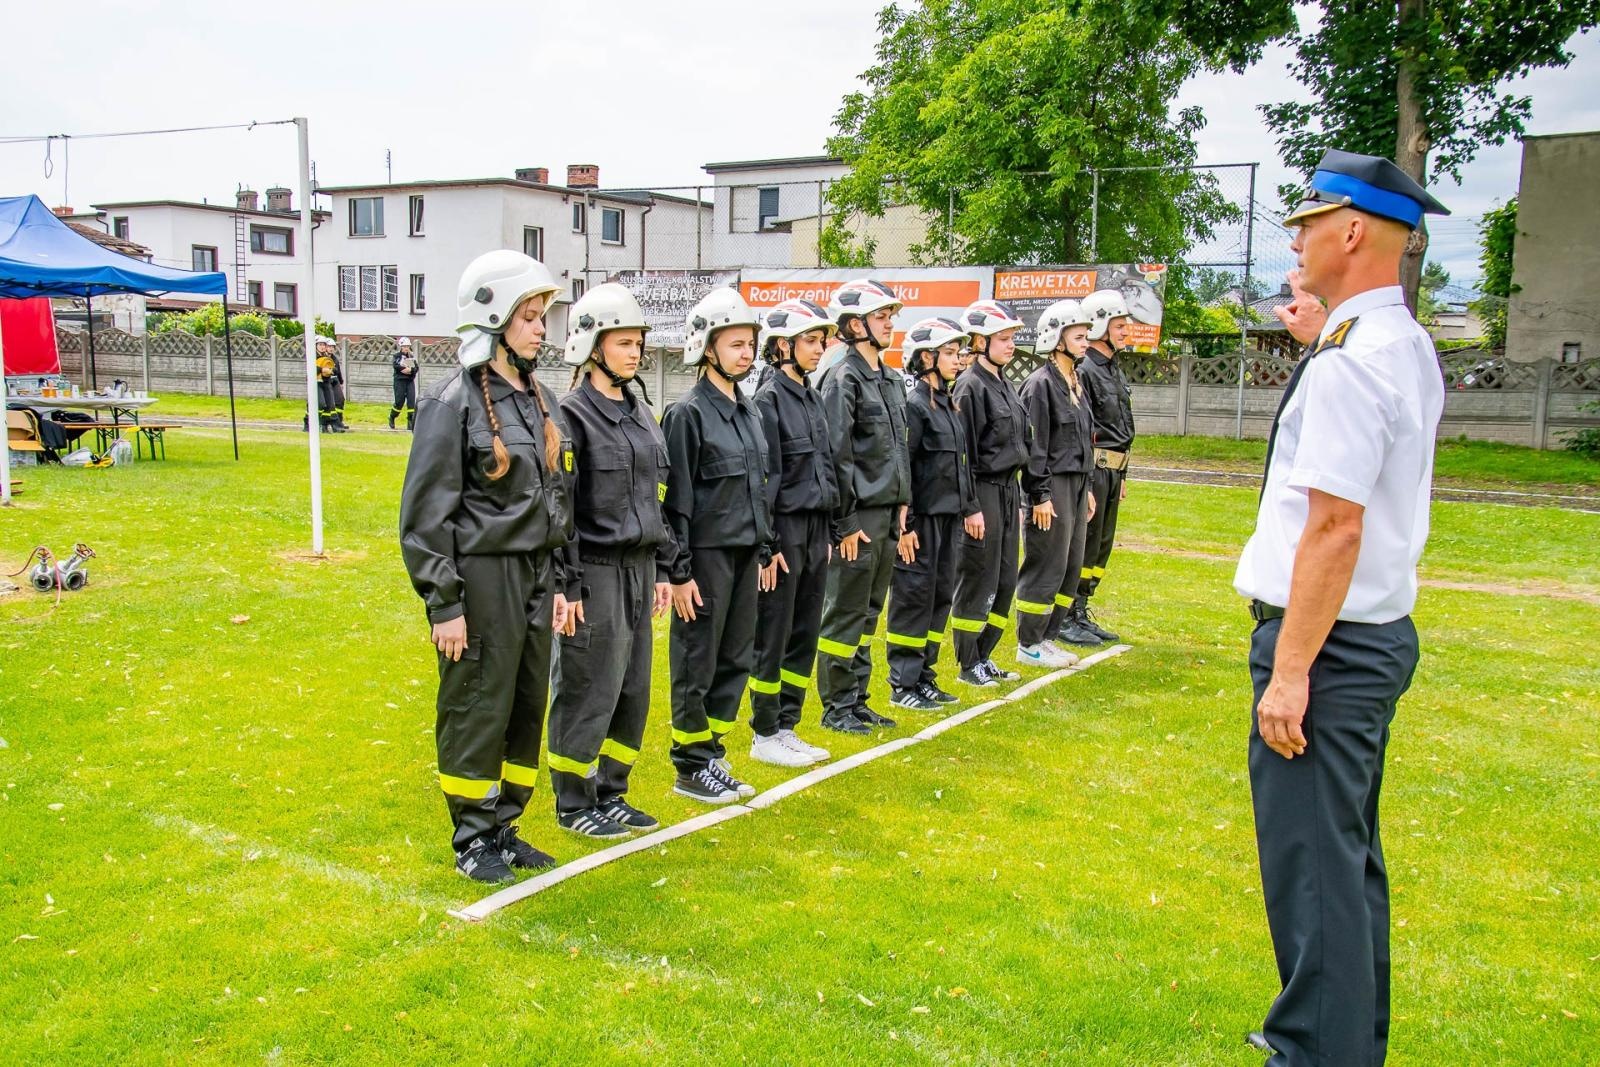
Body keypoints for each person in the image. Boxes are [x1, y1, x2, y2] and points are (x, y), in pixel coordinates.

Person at [1235, 149, 1448, 1067]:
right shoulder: (1394, 343)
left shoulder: (1354, 362)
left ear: (1352, 229)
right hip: (1366, 637)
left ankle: (1317, 1052)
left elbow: (1333, 527)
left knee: (1314, 869)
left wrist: (1290, 672)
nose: (1297, 240)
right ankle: (1340, 1037)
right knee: (1345, 861)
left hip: (1328, 647)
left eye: (1308, 223)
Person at [398, 249, 574, 884]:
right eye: (529, 316)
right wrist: (444, 603)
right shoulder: (453, 403)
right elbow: (425, 516)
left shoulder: (541, 399)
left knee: (526, 704)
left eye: (542, 316)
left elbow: (557, 499)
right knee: (478, 703)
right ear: (494, 318)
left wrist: (559, 583)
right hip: (482, 582)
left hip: (536, 580)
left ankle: (504, 825)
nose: (540, 329)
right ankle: (472, 836)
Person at [545, 283, 675, 837]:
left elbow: (659, 496)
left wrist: (663, 569)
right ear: (592, 346)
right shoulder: (571, 416)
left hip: (641, 570)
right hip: (595, 571)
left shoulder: (641, 412)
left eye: (638, 342)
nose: (635, 352)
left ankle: (611, 791)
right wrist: (568, 584)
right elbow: (561, 509)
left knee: (631, 689)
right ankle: (574, 802)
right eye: (624, 342)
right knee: (588, 686)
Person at [661, 287, 771, 803]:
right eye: (735, 345)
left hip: (746, 556)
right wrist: (679, 572)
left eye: (750, 344)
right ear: (707, 348)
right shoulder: (687, 414)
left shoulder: (749, 411)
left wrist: (764, 550)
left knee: (736, 659)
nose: (746, 354)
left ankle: (712, 753)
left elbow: (758, 488)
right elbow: (675, 503)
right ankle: (689, 767)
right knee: (697, 661)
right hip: (705, 561)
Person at [815, 278, 912, 735]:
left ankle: (857, 700)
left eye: (890, 316)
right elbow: (837, 456)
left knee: (870, 611)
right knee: (845, 611)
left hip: (887, 514)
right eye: (880, 316)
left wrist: (903, 502)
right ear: (855, 325)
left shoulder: (890, 379)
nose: (889, 323)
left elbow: (898, 447)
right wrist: (847, 521)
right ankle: (836, 706)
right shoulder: (843, 378)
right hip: (859, 517)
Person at [748, 298, 839, 768]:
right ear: (782, 345)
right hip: (784, 532)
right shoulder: (768, 401)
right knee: (774, 633)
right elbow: (765, 481)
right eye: (810, 340)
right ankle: (764, 732)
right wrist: (768, 546)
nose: (819, 348)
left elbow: (826, 465)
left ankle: (788, 725)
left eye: (822, 341)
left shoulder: (812, 396)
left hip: (816, 530)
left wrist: (833, 528)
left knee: (805, 631)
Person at [883, 316, 977, 712]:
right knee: (913, 599)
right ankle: (902, 683)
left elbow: (959, 464)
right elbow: (903, 467)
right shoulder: (915, 406)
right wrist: (904, 526)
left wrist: (968, 507)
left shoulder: (948, 404)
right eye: (950, 353)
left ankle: (924, 675)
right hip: (920, 524)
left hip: (947, 521)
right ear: (926, 357)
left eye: (958, 353)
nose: (958, 359)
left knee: (939, 597)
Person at [949, 299, 1028, 688]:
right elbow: (962, 454)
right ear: (979, 341)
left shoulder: (1005, 383)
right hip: (983, 491)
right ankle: (968, 662)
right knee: (978, 577)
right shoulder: (970, 386)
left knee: (1005, 578)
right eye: (1003, 338)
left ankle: (985, 654)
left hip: (1008, 491)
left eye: (1012, 337)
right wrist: (970, 507)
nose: (1011, 345)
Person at [1014, 299, 1098, 665]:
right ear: (1056, 339)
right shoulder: (1040, 385)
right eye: (1078, 337)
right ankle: (1029, 644)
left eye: (1085, 336)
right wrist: (1040, 496)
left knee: (1071, 563)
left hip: (1077, 486)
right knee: (1046, 562)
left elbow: (1085, 439)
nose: (1085, 342)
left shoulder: (1076, 383)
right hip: (1052, 487)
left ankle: (1049, 636)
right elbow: (1035, 448)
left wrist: (1088, 486)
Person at [1069, 289, 1136, 645]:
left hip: (1113, 472)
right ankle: (1068, 614)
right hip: (1094, 471)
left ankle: (1082, 608)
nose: (1126, 331)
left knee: (1100, 547)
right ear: (1100, 325)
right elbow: (1083, 429)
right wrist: (1087, 481)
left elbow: (1121, 425)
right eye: (1119, 325)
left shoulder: (1113, 369)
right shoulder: (1086, 371)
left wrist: (1122, 474)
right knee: (1085, 542)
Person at [309, 336, 341, 433]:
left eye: (324, 345)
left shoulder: (327, 356)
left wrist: (330, 370)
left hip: (326, 382)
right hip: (316, 383)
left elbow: (335, 369)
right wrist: (322, 369)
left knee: (329, 405)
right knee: (321, 404)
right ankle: (315, 424)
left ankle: (325, 425)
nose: (322, 347)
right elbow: (311, 369)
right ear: (315, 346)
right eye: (320, 345)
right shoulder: (312, 356)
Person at [390, 336, 418, 431]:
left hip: (409, 382)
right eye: (405, 346)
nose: (406, 348)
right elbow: (396, 366)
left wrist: (410, 370)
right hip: (399, 381)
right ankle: (392, 417)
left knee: (411, 402)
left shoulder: (411, 357)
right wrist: (405, 369)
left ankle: (410, 422)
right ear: (401, 347)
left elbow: (416, 368)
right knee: (399, 402)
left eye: (408, 346)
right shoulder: (397, 356)